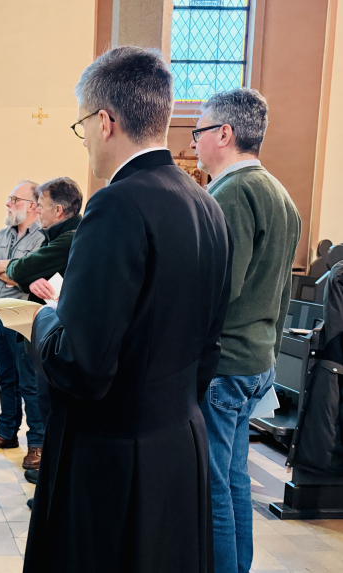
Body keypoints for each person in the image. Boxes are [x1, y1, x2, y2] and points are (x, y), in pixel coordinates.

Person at [24, 47, 232, 573]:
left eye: (82, 126)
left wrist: (46, 316)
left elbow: (81, 365)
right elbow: (209, 345)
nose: (87, 140)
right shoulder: (206, 204)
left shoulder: (116, 203)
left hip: (112, 458)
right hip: (180, 442)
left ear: (105, 121)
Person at [191, 88, 301, 573]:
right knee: (234, 481)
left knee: (213, 486)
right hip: (256, 359)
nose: (193, 142)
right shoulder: (281, 193)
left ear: (224, 134)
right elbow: (283, 296)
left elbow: (218, 291)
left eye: (198, 131)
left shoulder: (232, 192)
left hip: (225, 362)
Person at [3, 177, 83, 483]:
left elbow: (19, 268)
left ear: (59, 210)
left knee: (48, 407)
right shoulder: (56, 234)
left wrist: (20, 272)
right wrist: (27, 278)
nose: (38, 210)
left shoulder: (68, 238)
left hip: (59, 339)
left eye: (42, 205)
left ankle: (51, 480)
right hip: (50, 335)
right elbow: (29, 274)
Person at [0, 181, 45, 470]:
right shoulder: (2, 234)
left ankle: (37, 443)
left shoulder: (42, 238)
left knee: (30, 383)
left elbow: (31, 279)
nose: (8, 203)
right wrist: (13, 265)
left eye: (14, 199)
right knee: (6, 380)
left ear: (32, 206)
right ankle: (6, 433)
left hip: (23, 317)